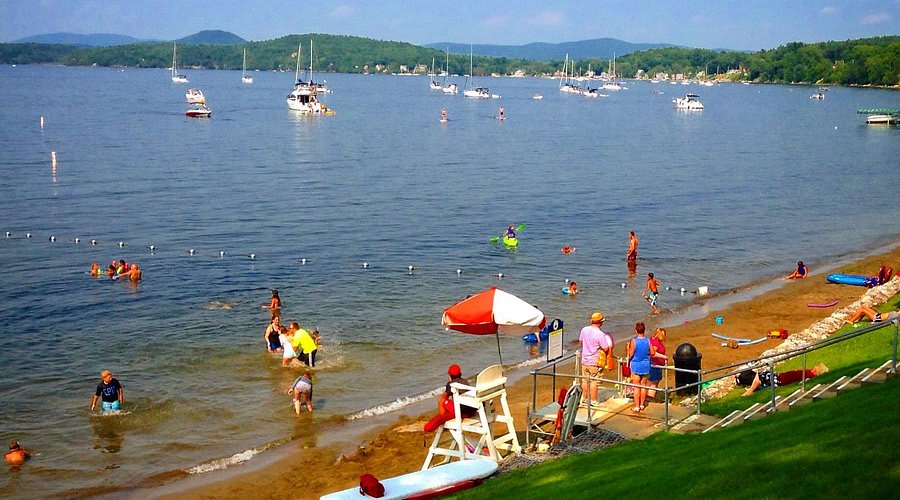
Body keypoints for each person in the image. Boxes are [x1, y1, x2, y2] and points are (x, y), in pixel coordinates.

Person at [423, 364, 477, 432]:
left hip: (461, 412)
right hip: (471, 410)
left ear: (449, 376)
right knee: (452, 404)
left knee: (442, 401)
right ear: (460, 374)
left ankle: (443, 424)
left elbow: (444, 397)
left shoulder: (451, 384)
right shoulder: (465, 382)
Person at [578, 312, 613, 408]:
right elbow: (605, 348)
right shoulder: (600, 334)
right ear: (600, 323)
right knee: (594, 381)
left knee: (585, 380)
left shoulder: (584, 329)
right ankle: (593, 401)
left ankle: (584, 399)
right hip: (595, 361)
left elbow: (580, 341)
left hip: (585, 359)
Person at [736, 363, 829, 396]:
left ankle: (813, 372)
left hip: (781, 379)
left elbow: (757, 381)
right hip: (781, 378)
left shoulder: (758, 376)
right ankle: (812, 372)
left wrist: (749, 391)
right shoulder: (759, 376)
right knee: (796, 374)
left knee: (796, 374)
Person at [626, 322, 651, 412]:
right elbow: (651, 352)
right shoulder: (648, 340)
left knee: (636, 387)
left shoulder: (634, 341)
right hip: (645, 364)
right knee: (643, 385)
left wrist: (628, 348)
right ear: (644, 330)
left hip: (636, 364)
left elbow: (631, 353)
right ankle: (641, 404)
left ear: (636, 331)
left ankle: (636, 405)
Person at [647, 328, 669, 400]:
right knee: (654, 383)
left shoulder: (652, 341)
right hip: (655, 364)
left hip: (656, 364)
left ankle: (651, 396)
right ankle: (650, 397)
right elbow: (652, 353)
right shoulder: (655, 343)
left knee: (654, 382)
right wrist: (664, 357)